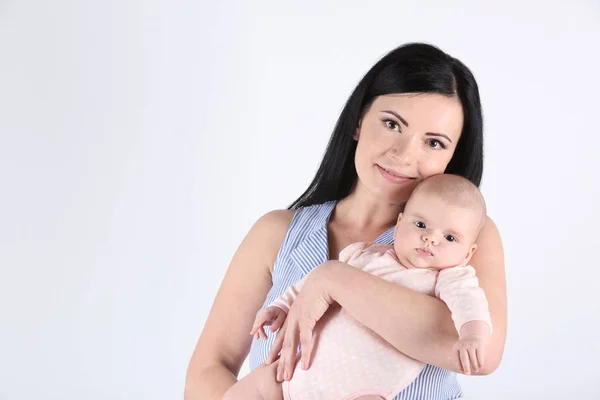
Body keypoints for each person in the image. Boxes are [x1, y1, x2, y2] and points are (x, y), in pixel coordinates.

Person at [184, 42, 507, 400]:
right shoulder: (276, 234)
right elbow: (209, 369)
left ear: (451, 157)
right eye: (391, 124)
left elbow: (480, 354)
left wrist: (334, 279)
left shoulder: (456, 240)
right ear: (357, 122)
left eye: (434, 143)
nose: (404, 154)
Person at [224, 174, 493, 400]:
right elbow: (310, 285)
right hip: (293, 374)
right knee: (253, 384)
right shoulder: (364, 254)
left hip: (363, 391)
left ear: (468, 253)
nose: (430, 239)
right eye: (421, 224)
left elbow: (470, 304)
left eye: (449, 237)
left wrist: (472, 335)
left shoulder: (447, 279)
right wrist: (281, 306)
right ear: (400, 224)